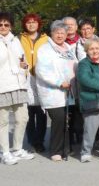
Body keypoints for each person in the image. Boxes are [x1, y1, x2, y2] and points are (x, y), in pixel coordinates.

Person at [36, 21, 78, 162]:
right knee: (59, 119)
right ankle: (56, 150)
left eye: (63, 32)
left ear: (67, 34)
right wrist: (59, 82)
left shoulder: (68, 48)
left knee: (68, 120)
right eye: (57, 32)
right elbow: (42, 71)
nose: (60, 35)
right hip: (54, 92)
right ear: (52, 33)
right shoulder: (45, 49)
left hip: (70, 91)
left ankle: (66, 147)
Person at [0, 12, 35, 165]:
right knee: (3, 121)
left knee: (22, 118)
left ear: (11, 26)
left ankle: (17, 148)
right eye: (0, 24)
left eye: (6, 24)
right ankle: (5, 152)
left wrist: (24, 66)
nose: (3, 27)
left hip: (19, 84)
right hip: (2, 85)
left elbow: (23, 60)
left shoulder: (15, 40)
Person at [19, 13, 49, 153]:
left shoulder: (46, 39)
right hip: (24, 79)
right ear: (25, 24)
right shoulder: (18, 39)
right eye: (28, 22)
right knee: (28, 113)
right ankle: (31, 139)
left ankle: (39, 141)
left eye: (34, 22)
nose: (31, 24)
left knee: (41, 112)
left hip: (41, 78)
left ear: (38, 24)